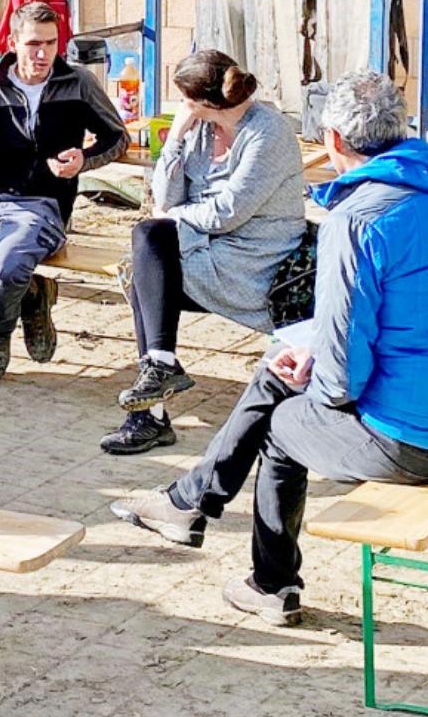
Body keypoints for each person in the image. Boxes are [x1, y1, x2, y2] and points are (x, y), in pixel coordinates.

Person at [110, 72, 428, 626]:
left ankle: (270, 581)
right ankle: (188, 502)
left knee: (283, 419)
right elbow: (405, 317)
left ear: (334, 141)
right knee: (277, 371)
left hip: (419, 440)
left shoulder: (357, 219)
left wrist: (314, 376)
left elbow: (342, 376)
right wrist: (312, 361)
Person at [101, 50, 314, 456]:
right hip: (205, 247)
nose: (182, 108)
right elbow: (162, 197)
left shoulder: (268, 133)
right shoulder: (200, 128)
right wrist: (176, 139)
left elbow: (228, 213)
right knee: (144, 256)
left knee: (148, 259)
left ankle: (151, 412)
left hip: (258, 262)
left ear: (208, 101)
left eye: (185, 101)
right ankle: (158, 378)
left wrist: (172, 217)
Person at [0, 2, 129, 383]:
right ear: (13, 43)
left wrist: (85, 159)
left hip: (43, 203)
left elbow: (117, 137)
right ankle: (31, 294)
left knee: (8, 265)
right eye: (33, 43)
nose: (43, 53)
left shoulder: (78, 82)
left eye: (51, 43)